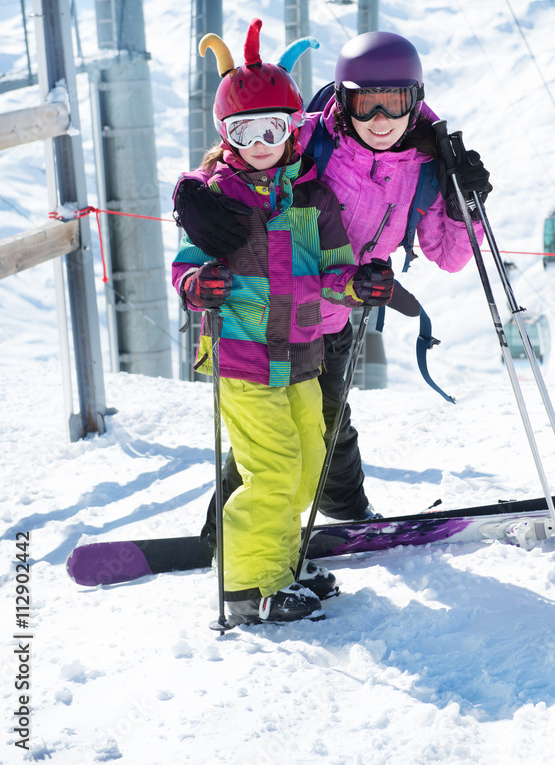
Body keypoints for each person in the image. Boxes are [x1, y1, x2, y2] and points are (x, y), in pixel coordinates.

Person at [181, 29, 491, 533]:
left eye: (394, 104)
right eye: (366, 105)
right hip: (270, 312)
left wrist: (463, 207)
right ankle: (225, 535)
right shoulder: (307, 135)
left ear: (416, 100)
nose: (380, 121)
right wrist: (189, 191)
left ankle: (344, 513)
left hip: (338, 306)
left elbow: (450, 257)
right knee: (276, 428)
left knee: (327, 419)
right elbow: (244, 149)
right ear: (344, 101)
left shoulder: (430, 164)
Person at [172, 19, 395, 626]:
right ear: (225, 133)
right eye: (244, 130)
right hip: (244, 359)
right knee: (271, 471)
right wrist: (199, 285)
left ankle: (283, 560)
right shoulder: (215, 197)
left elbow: (333, 271)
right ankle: (250, 587)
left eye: (273, 127)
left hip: (301, 354)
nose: (261, 142)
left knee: (305, 470)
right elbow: (187, 268)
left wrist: (358, 284)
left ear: (293, 127)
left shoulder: (311, 197)